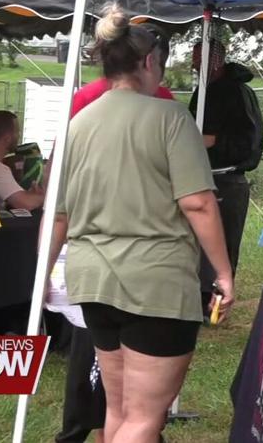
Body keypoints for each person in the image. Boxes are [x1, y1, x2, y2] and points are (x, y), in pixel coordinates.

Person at [46, 4, 235, 443]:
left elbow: (58, 213)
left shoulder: (77, 124)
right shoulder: (170, 118)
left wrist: (43, 273)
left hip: (91, 280)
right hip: (155, 283)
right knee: (146, 417)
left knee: (121, 409)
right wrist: (223, 274)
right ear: (150, 62)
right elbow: (200, 205)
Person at [54, 22, 176, 443]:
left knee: (119, 401)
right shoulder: (158, 103)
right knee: (136, 407)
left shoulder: (85, 104)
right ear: (147, 62)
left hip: (92, 258)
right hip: (145, 262)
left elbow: (59, 181)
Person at [188, 38, 263, 318]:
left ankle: (219, 306)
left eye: (200, 59)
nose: (195, 64)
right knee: (196, 244)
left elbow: (249, 142)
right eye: (194, 59)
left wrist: (213, 141)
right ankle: (197, 302)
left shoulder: (238, 93)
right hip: (200, 176)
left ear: (215, 60)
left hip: (228, 180)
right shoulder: (203, 91)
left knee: (224, 244)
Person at [0, 110, 45, 211]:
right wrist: (45, 197)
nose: (19, 136)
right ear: (7, 138)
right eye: (17, 132)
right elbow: (25, 203)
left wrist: (31, 195)